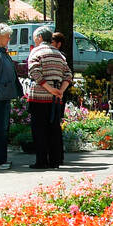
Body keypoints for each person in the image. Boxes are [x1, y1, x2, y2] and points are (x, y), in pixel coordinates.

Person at [25, 27, 71, 170]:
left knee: (39, 129)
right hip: (55, 99)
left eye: (34, 38)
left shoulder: (36, 52)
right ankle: (55, 160)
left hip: (39, 96)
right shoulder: (59, 54)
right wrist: (60, 91)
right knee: (54, 128)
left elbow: (34, 71)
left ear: (39, 37)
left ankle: (41, 161)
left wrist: (49, 88)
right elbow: (68, 74)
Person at [0, 23, 21, 171]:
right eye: (7, 36)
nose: (9, 38)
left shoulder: (1, 51)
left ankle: (0, 160)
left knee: (2, 129)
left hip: (3, 96)